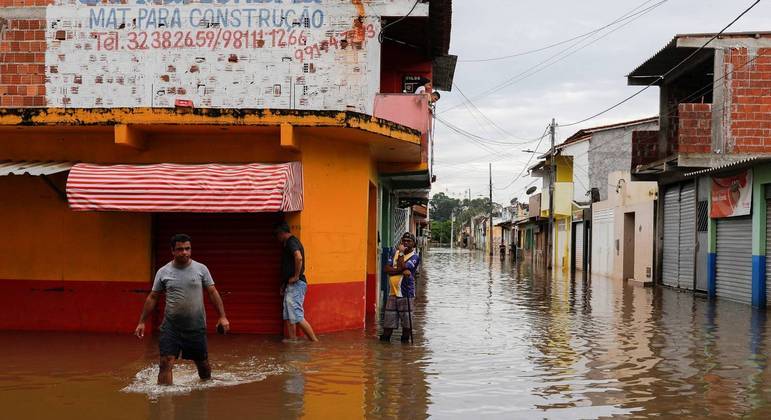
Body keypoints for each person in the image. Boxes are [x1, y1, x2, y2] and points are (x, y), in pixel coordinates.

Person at [134, 233, 230, 386]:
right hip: (171, 327)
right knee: (166, 362)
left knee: (203, 366)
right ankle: (164, 402)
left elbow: (212, 292)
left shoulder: (201, 269)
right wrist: (142, 322)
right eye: (180, 249)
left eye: (187, 249)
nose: (184, 252)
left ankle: (203, 392)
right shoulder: (163, 272)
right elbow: (153, 297)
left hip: (195, 326)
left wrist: (222, 316)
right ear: (172, 251)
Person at [275, 221, 318, 342]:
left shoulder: (291, 242)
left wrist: (296, 276)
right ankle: (293, 342)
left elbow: (298, 257)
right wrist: (284, 284)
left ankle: (314, 343)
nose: (277, 238)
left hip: (296, 284)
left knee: (296, 315)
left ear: (282, 233)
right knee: (289, 315)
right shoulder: (289, 243)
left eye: (277, 234)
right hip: (291, 285)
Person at [380, 232, 421, 343]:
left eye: (409, 241)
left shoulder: (415, 257)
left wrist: (401, 255)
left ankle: (405, 350)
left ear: (414, 244)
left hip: (406, 294)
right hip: (392, 294)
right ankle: (384, 348)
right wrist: (400, 270)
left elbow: (403, 266)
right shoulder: (394, 253)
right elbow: (386, 269)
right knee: (388, 325)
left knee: (406, 325)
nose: (406, 243)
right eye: (404, 241)